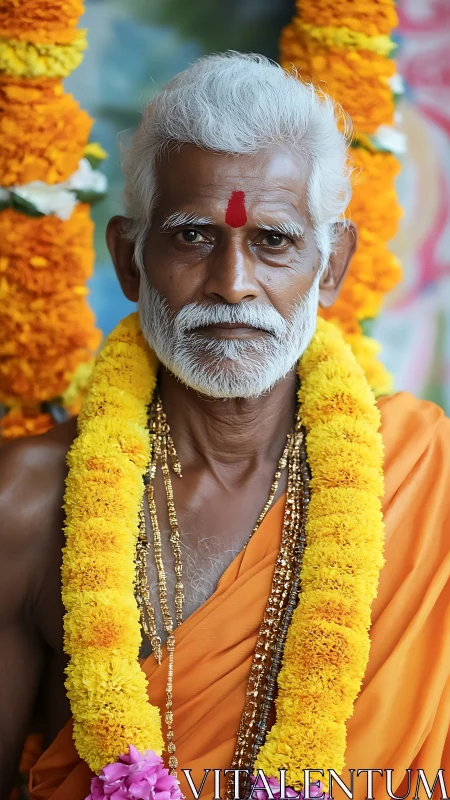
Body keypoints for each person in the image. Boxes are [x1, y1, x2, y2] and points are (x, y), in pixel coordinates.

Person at [0, 53, 448, 800]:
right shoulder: (27, 502)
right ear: (130, 260)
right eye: (193, 237)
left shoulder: (426, 475)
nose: (233, 283)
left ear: (331, 264)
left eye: (272, 239)